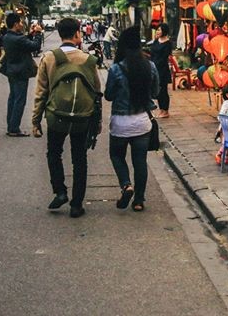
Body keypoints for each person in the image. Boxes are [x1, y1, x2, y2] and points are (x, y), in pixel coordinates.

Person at [31, 18, 101, 218]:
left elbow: (41, 92)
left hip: (56, 115)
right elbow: (97, 92)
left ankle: (60, 191)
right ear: (78, 33)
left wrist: (36, 121)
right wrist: (97, 122)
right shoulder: (88, 59)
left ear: (60, 34)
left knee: (54, 153)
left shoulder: (49, 58)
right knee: (80, 158)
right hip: (82, 117)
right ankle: (77, 204)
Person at [104, 26, 159, 213]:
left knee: (117, 155)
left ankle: (126, 185)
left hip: (120, 122)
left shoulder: (116, 69)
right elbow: (155, 92)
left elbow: (109, 96)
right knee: (140, 161)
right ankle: (139, 200)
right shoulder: (149, 66)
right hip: (142, 121)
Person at [0, 12, 43, 136]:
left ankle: (11, 125)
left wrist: (30, 34)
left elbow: (23, 44)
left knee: (12, 98)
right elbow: (35, 46)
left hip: (11, 70)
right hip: (21, 71)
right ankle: (14, 129)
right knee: (19, 100)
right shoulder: (18, 38)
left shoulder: (7, 37)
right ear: (15, 24)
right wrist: (38, 34)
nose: (22, 24)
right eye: (20, 22)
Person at [147, 22, 173, 118]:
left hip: (162, 69)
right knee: (157, 89)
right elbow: (152, 53)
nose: (157, 31)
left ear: (164, 31)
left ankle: (165, 110)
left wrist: (156, 65)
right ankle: (161, 109)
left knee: (163, 90)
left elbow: (164, 57)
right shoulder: (156, 41)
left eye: (159, 30)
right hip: (154, 68)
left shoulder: (168, 43)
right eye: (157, 29)